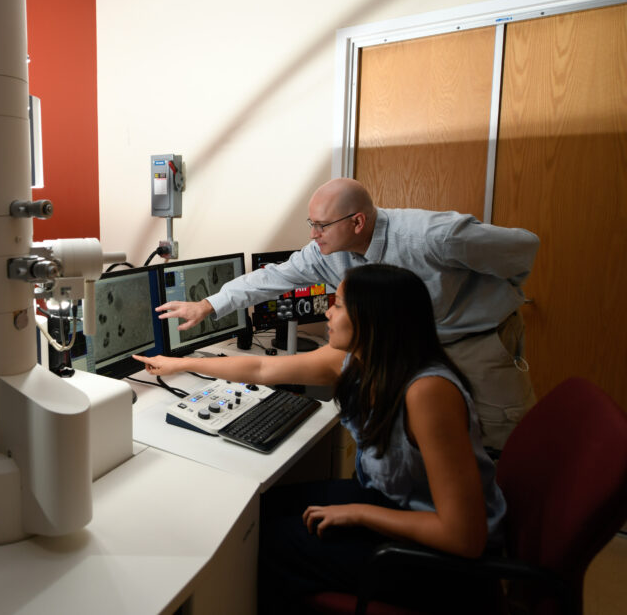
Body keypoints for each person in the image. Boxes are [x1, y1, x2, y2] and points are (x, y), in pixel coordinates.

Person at [135, 264, 506, 612]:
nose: (328, 312)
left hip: (443, 563)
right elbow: (262, 367)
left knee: (268, 544)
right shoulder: (359, 359)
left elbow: (463, 537)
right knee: (260, 509)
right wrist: (181, 363)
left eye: (340, 305)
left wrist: (360, 514)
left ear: (373, 319)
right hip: (395, 505)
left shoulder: (427, 392)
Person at [155, 177, 539, 452]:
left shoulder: (435, 237)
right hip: (409, 347)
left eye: (321, 226)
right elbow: (274, 277)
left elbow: (522, 250)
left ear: (357, 222)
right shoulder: (329, 253)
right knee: (427, 438)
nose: (313, 235)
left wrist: (495, 298)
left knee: (495, 436)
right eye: (312, 224)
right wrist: (208, 305)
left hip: (475, 336)